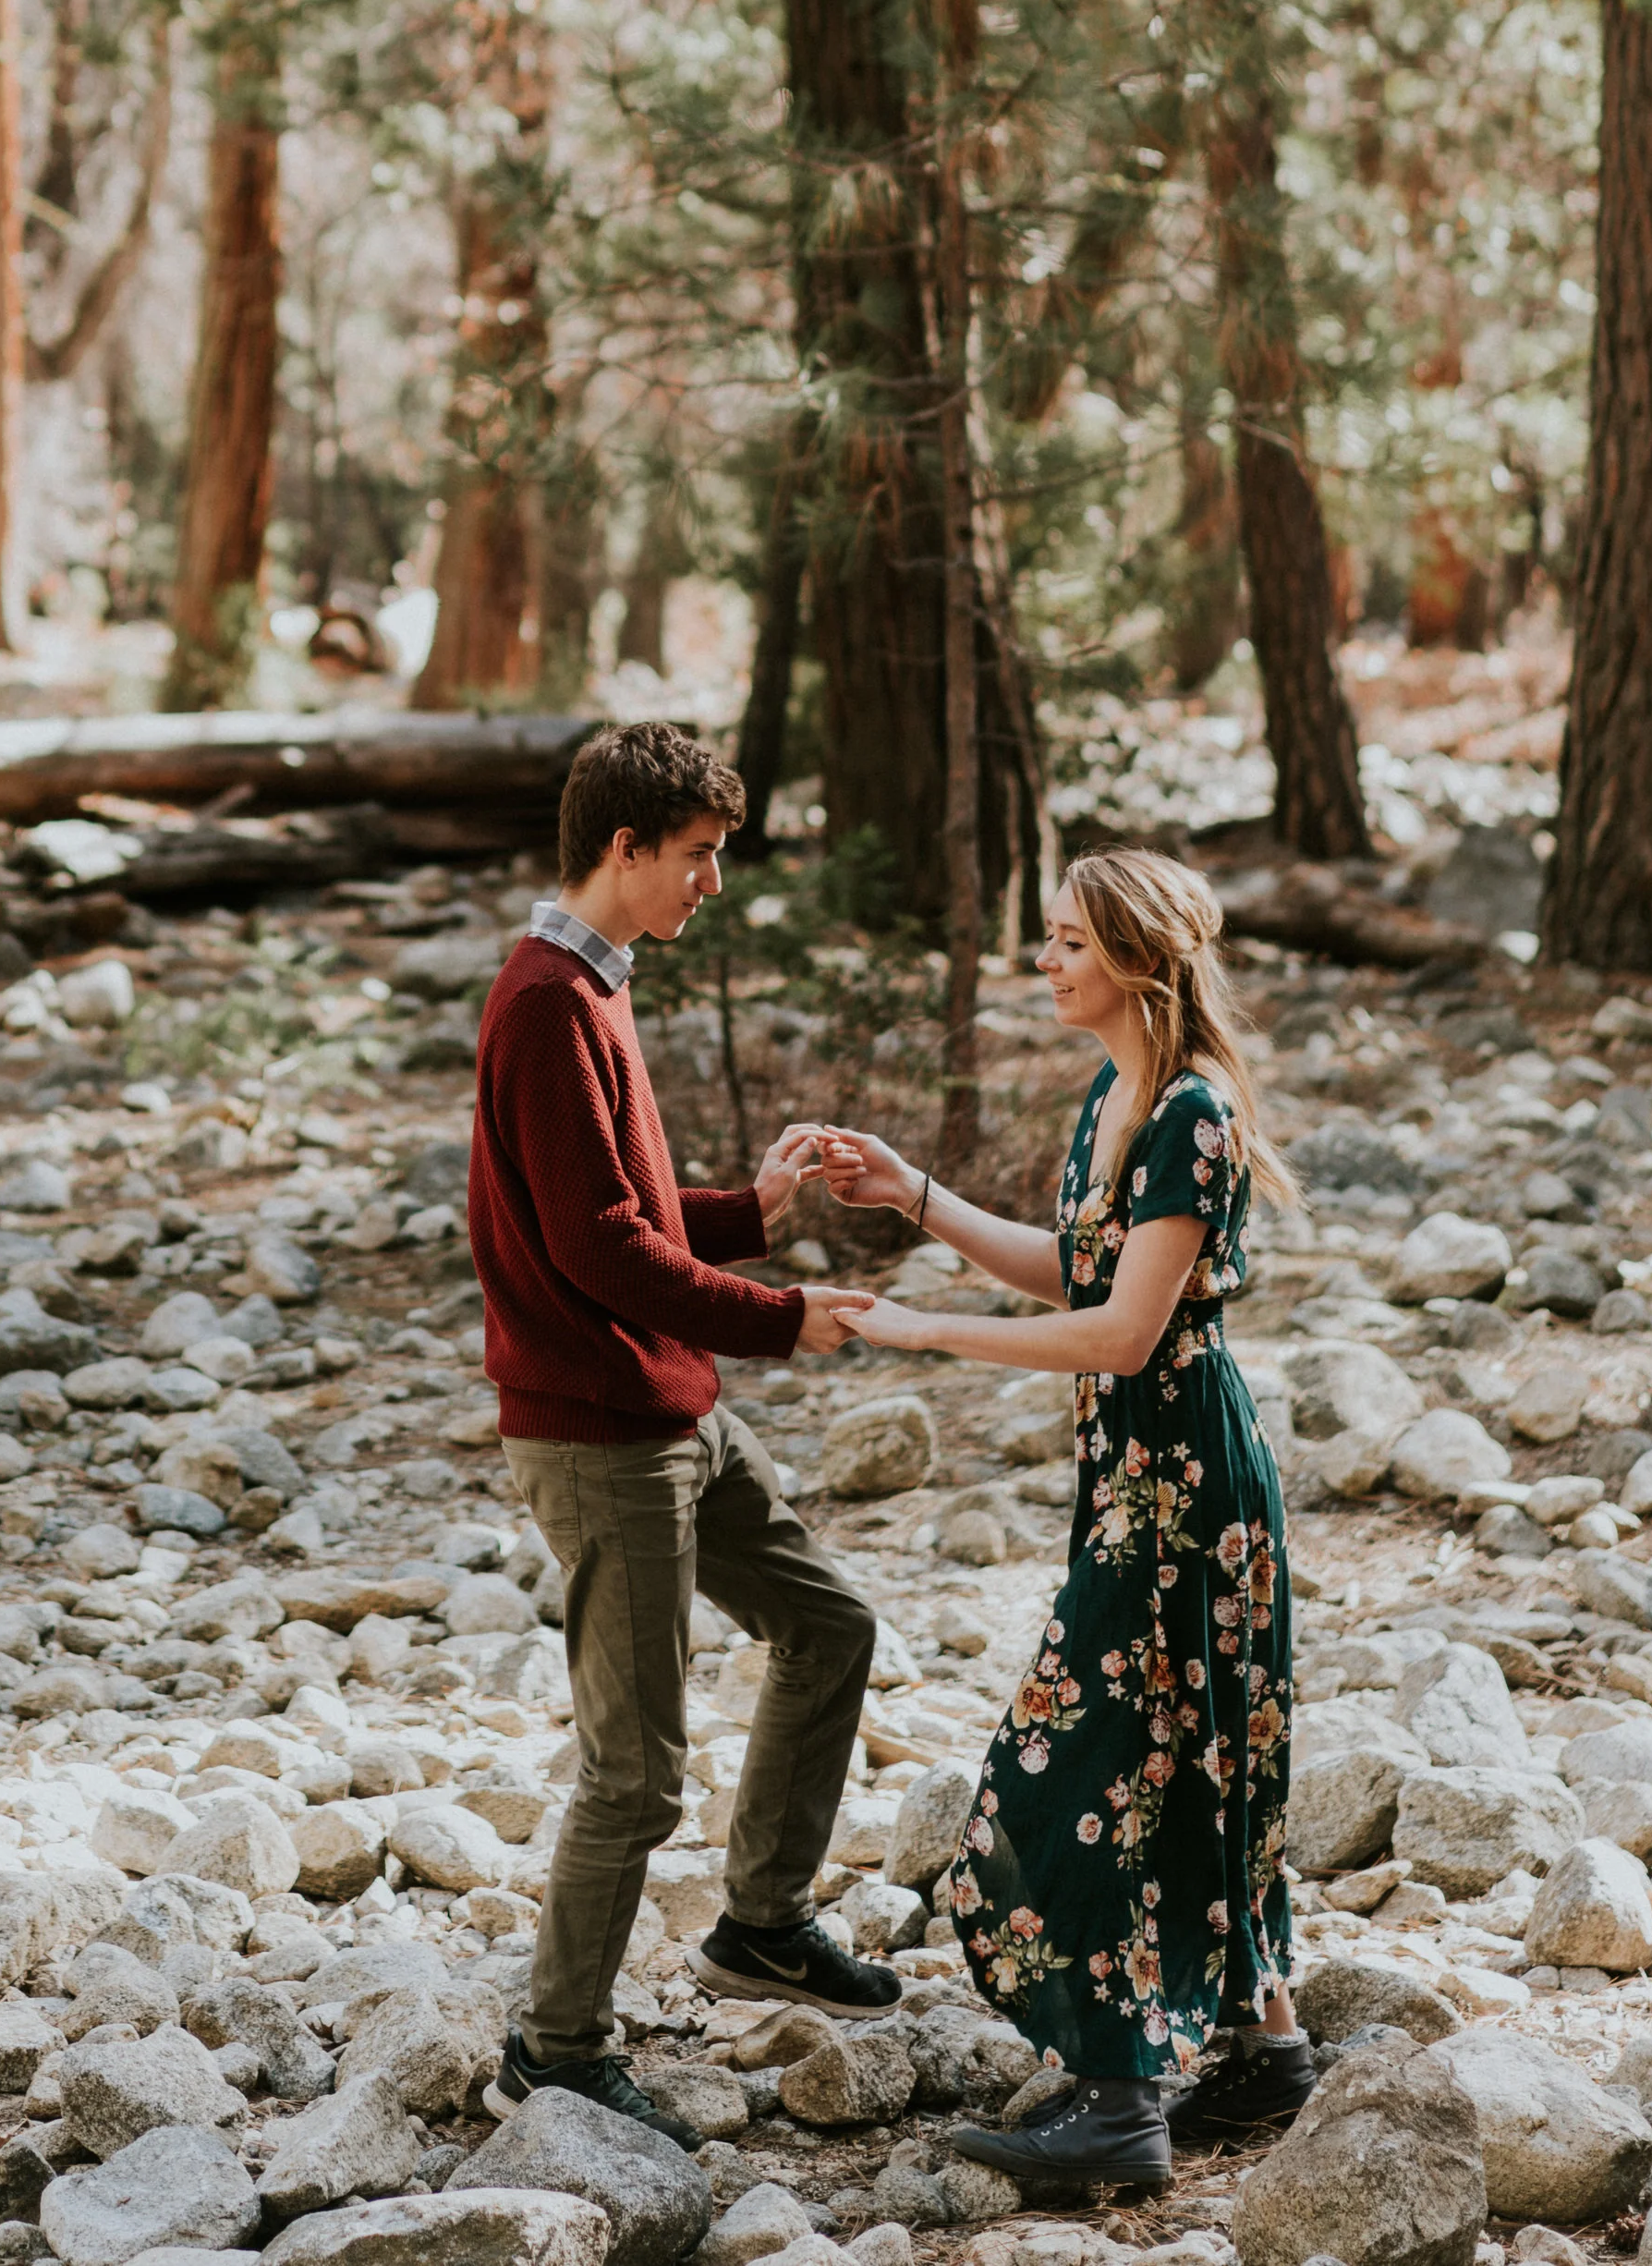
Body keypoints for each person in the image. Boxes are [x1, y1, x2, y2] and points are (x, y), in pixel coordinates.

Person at [815, 847, 1306, 2200]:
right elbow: (1074, 1263)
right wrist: (911, 1196)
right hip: (1132, 1473)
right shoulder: (1117, 1095)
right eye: (1047, 939)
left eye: (1071, 943)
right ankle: (1266, 2044)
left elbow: (1124, 1327)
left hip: (1188, 1484)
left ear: (1141, 962)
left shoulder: (1194, 1115)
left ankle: (1117, 2099)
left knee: (1087, 1760)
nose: (1047, 963)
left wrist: (925, 1331)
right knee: (1187, 1740)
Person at [468, 718, 901, 2142]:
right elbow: (593, 1252)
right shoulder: (544, 1003)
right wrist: (781, 1314)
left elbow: (621, 1204)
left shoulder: (596, 984)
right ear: (625, 847)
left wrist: (748, 1213)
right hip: (603, 1437)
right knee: (638, 1771)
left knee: (829, 1624)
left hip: (674, 1409)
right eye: (700, 859)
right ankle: (557, 2046)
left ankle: (763, 1926)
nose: (711, 885)